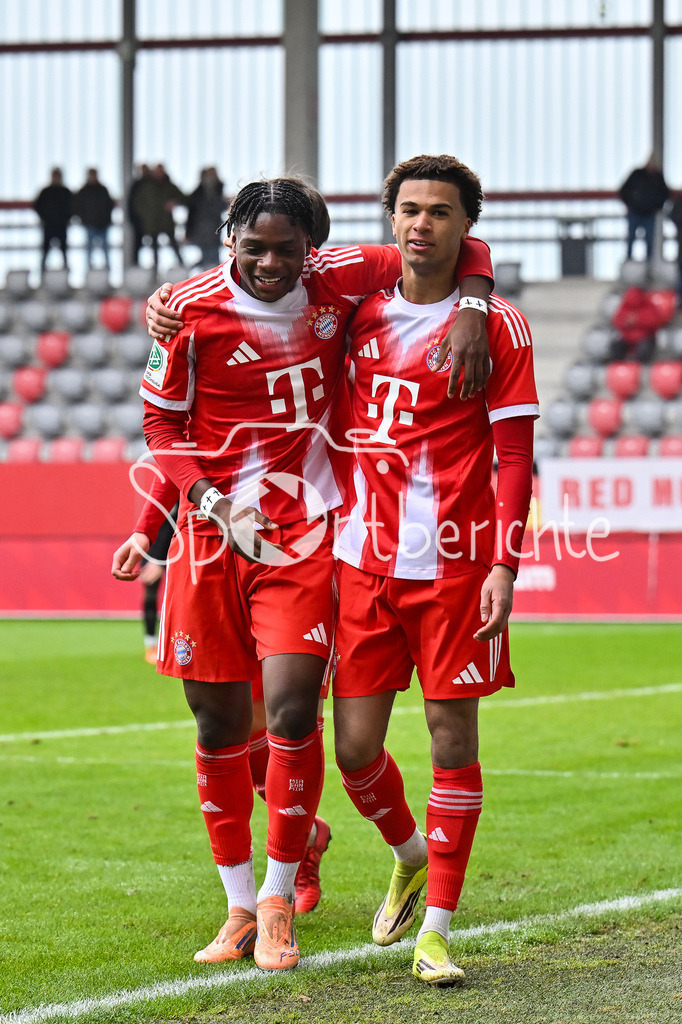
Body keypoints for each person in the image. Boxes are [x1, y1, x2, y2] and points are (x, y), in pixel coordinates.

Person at [138, 175, 494, 972]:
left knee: (296, 711)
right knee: (218, 725)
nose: (271, 264)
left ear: (312, 251)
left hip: (305, 533)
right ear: (229, 239)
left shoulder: (338, 276)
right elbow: (160, 423)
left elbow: (454, 243)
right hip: (212, 533)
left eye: (287, 250)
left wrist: (472, 302)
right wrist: (204, 502)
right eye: (254, 247)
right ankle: (235, 905)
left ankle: (276, 900)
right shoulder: (186, 307)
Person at [330, 154, 538, 986]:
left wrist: (504, 566)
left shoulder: (501, 328)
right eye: (409, 209)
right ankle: (408, 855)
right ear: (391, 220)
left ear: (466, 226)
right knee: (353, 750)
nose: (422, 224)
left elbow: (516, 456)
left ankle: (438, 934)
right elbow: (264, 270)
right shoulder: (355, 310)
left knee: (453, 739)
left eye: (441, 212)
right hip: (362, 562)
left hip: (454, 569)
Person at [111, 468, 332, 936]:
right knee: (236, 728)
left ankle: (280, 887)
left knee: (286, 715)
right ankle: (303, 842)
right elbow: (173, 450)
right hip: (208, 553)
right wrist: (144, 530)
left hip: (288, 540)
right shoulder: (189, 407)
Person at [131, 163, 186, 270]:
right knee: (154, 249)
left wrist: (174, 202)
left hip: (166, 223)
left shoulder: (169, 186)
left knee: (174, 246)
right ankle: (155, 271)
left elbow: (183, 198)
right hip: (153, 224)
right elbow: (138, 204)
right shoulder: (147, 187)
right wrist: (146, 215)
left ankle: (181, 267)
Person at [618, 157, 670, 263]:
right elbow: (623, 190)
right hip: (635, 213)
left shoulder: (658, 177)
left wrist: (657, 206)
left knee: (650, 240)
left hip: (649, 214)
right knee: (631, 238)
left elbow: (665, 193)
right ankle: (629, 260)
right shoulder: (637, 175)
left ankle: (649, 263)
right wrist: (629, 204)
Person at [186, 167, 228, 269]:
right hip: (204, 228)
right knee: (208, 254)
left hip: (211, 228)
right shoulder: (200, 193)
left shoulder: (214, 190)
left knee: (212, 254)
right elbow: (192, 212)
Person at [33, 168, 73, 273]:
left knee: (64, 251)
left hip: (61, 225)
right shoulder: (46, 192)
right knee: (45, 251)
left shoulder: (65, 192)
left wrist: (67, 218)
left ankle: (65, 273)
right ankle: (42, 273)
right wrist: (45, 218)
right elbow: (37, 206)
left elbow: (72, 206)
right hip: (49, 225)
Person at [73, 168, 115, 270]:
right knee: (89, 250)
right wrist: (84, 220)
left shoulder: (102, 189)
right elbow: (78, 207)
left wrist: (106, 219)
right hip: (90, 224)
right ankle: (89, 271)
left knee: (104, 250)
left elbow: (109, 205)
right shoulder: (84, 191)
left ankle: (107, 271)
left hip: (102, 224)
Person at [128, 164, 152, 266]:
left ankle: (153, 266)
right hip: (139, 220)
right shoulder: (137, 185)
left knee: (154, 244)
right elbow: (131, 204)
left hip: (153, 221)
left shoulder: (153, 184)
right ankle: (135, 263)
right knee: (137, 243)